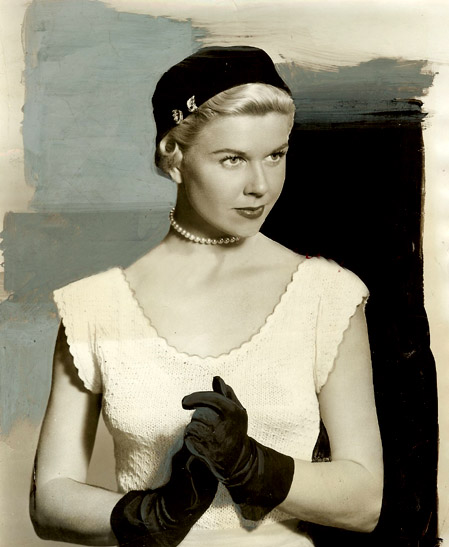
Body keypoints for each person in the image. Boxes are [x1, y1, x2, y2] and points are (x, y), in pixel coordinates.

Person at [30, 46, 383, 547]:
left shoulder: (328, 294)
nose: (260, 185)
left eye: (276, 155)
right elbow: (49, 501)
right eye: (232, 159)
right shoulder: (93, 307)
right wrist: (151, 514)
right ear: (173, 157)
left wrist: (254, 466)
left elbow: (365, 502)